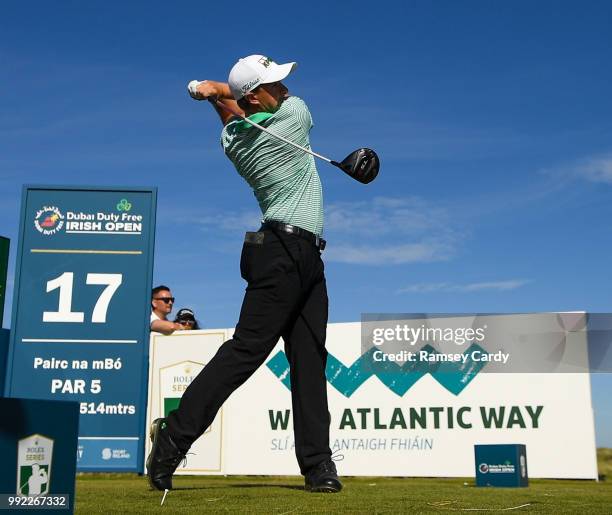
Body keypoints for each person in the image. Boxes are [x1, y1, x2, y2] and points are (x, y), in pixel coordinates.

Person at [147, 54, 340, 494]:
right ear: (255, 96)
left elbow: (233, 115)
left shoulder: (234, 138)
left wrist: (214, 93)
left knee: (309, 362)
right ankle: (173, 437)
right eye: (275, 84)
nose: (286, 89)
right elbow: (244, 106)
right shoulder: (294, 117)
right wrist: (217, 91)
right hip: (281, 252)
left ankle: (318, 466)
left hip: (306, 256)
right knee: (246, 352)